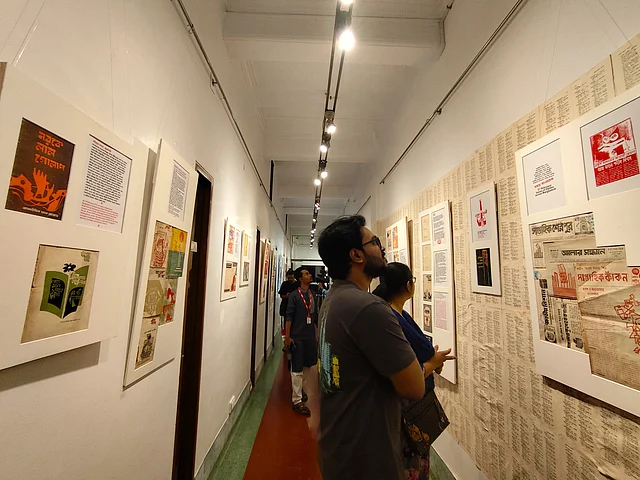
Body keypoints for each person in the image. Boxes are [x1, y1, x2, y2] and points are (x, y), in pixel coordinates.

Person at [316, 215, 426, 480]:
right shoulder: (369, 308)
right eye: (375, 241)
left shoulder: (334, 298)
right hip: (366, 458)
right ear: (356, 255)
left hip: (339, 447)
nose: (382, 247)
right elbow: (415, 388)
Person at [373, 262, 455, 479]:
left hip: (413, 403)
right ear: (409, 285)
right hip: (406, 408)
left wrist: (433, 360)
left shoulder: (396, 313)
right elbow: (404, 369)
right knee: (410, 465)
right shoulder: (392, 319)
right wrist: (433, 363)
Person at [285, 268, 317, 416]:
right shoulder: (294, 296)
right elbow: (289, 316)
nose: (309, 275)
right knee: (297, 367)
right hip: (297, 336)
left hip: (309, 336)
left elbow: (314, 315)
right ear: (300, 278)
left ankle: (300, 388)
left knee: (308, 364)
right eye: (306, 274)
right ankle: (296, 400)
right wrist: (287, 337)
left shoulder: (312, 294)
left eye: (309, 274)